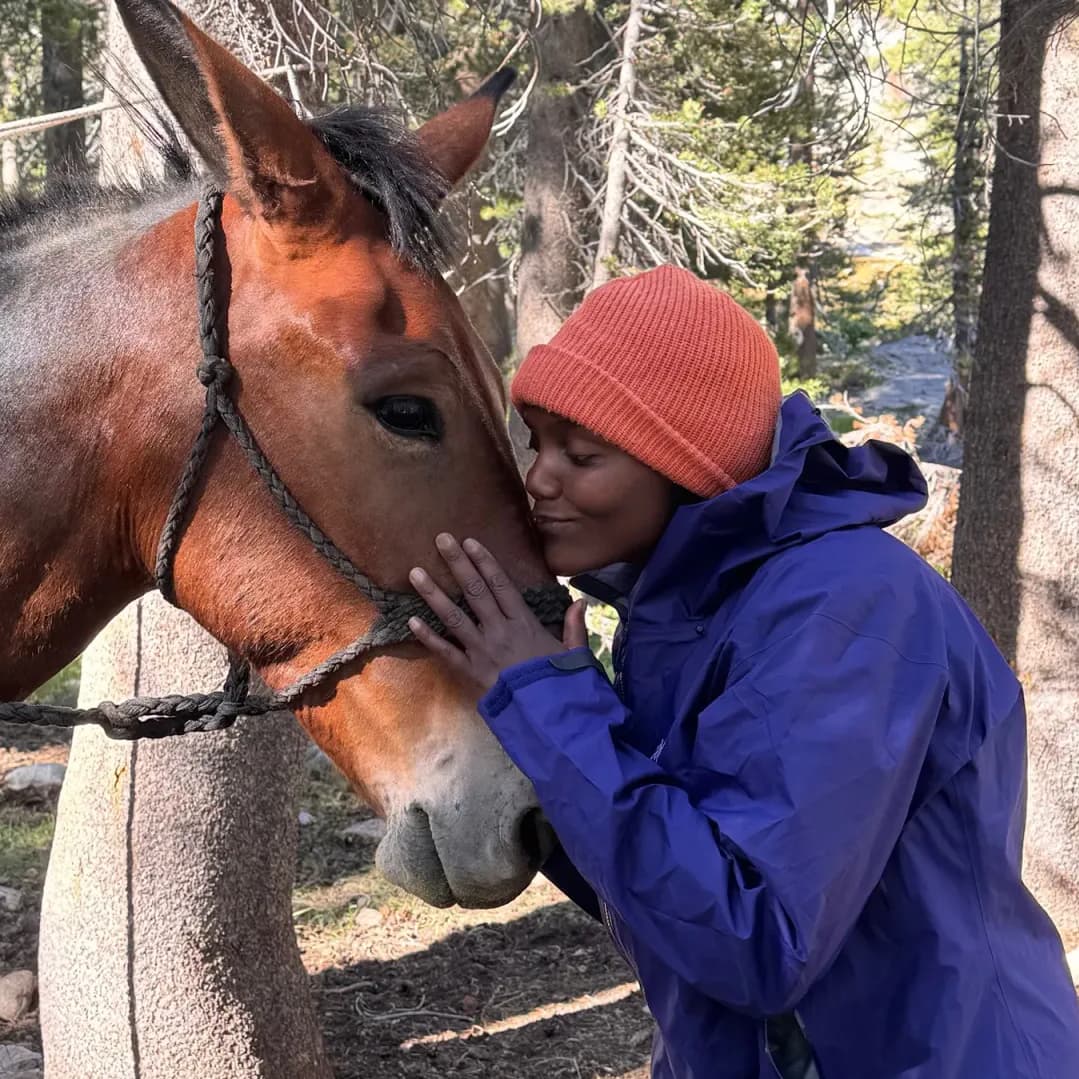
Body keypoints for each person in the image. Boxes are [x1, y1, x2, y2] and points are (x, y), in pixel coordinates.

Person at [406, 265, 1079, 1078]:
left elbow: (758, 938)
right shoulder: (684, 614)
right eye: (537, 443)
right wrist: (515, 770)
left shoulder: (846, 608)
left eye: (582, 454)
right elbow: (668, 901)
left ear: (687, 468)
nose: (540, 479)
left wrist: (554, 710)